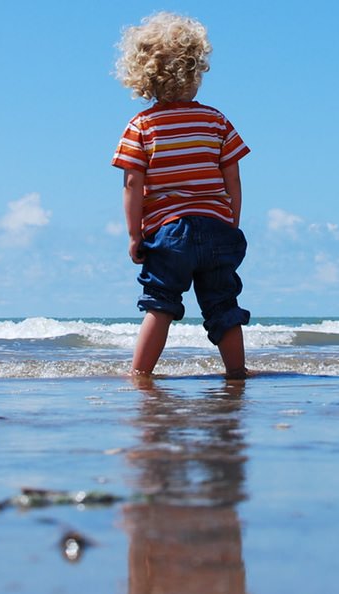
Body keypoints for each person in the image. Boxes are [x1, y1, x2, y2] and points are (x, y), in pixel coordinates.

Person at [112, 12, 251, 380]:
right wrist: (231, 219)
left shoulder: (141, 126)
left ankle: (141, 375)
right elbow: (232, 176)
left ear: (145, 77)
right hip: (218, 229)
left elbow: (132, 185)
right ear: (196, 71)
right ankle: (236, 372)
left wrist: (134, 234)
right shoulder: (216, 121)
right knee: (223, 304)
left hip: (169, 233)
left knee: (160, 305)